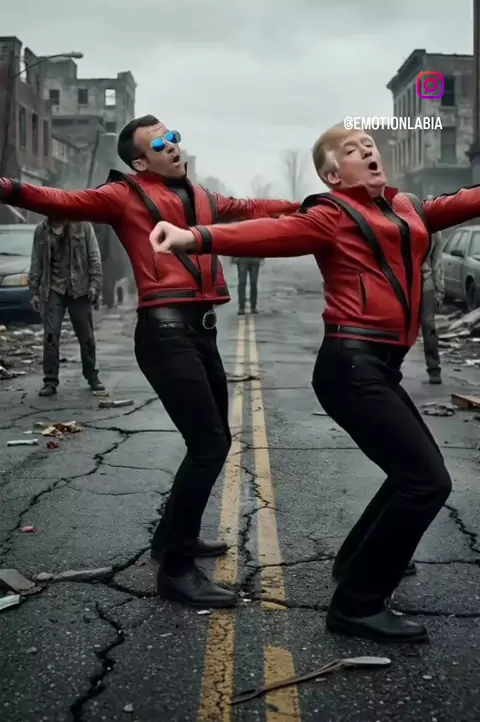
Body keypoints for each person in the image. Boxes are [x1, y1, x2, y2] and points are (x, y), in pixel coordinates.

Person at [148, 124, 480, 643]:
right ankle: (356, 606)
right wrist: (194, 237)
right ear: (332, 175)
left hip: (379, 367)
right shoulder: (331, 214)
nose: (367, 150)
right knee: (426, 482)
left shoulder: (407, 208)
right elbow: (272, 233)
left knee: (412, 474)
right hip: (351, 367)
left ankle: (355, 564)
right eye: (351, 150)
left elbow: (462, 202)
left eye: (369, 145)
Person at [0, 114, 298, 609]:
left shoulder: (203, 196)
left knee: (214, 441)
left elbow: (252, 207)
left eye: (174, 137)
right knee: (208, 445)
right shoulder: (123, 195)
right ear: (140, 162)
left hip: (201, 331)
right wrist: (8, 186)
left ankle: (170, 539)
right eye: (160, 144)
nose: (173, 146)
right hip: (164, 334)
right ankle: (176, 572)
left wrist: (308, 205)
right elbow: (58, 200)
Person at [29, 217, 105, 397]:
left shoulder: (83, 226)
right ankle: (50, 381)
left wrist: (95, 284)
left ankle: (91, 375)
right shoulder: (42, 230)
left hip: (79, 288)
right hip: (54, 289)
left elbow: (94, 256)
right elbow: (36, 261)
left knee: (86, 336)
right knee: (50, 335)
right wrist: (34, 291)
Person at [421, 205, 444, 384]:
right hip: (403, 285)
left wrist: (440, 290)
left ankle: (434, 369)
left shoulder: (434, 233)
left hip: (425, 284)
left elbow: (437, 263)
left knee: (429, 326)